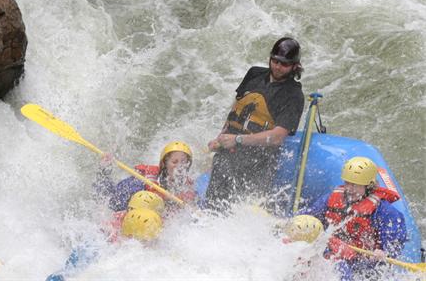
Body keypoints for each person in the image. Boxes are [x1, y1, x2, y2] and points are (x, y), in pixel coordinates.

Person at [206, 37, 305, 211]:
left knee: (237, 207)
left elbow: (277, 138)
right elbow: (236, 110)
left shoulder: (294, 95)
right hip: (228, 154)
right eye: (275, 61)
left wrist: (237, 140)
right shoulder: (254, 74)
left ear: (294, 66)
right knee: (214, 200)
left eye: (284, 64)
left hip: (258, 161)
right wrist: (220, 138)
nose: (277, 67)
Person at [299, 157, 407, 281]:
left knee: (341, 269)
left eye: (355, 185)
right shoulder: (333, 198)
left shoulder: (384, 211)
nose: (349, 189)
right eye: (347, 183)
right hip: (333, 250)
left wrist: (384, 252)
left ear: (369, 186)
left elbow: (396, 240)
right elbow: (310, 215)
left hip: (363, 262)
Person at [95, 141, 196, 213]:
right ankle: (104, 169)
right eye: (174, 162)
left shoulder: (187, 187)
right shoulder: (146, 178)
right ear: (165, 164)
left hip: (153, 213)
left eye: (183, 162)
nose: (179, 166)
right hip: (124, 201)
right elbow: (117, 200)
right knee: (108, 196)